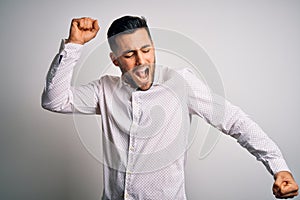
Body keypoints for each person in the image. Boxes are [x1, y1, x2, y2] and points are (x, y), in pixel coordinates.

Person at [41, 16, 298, 199]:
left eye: (146, 50)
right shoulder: (104, 90)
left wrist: (278, 166)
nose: (142, 61)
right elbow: (54, 100)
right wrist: (74, 46)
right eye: (129, 55)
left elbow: (234, 121)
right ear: (115, 59)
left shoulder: (180, 83)